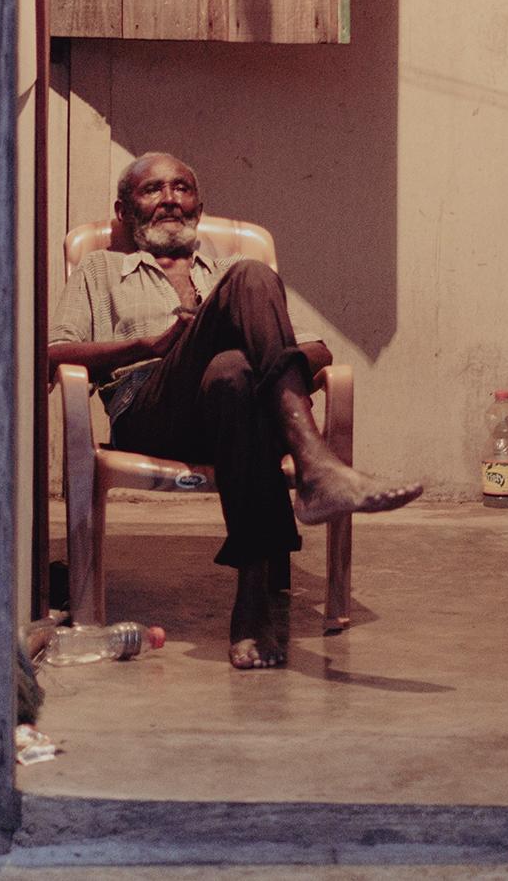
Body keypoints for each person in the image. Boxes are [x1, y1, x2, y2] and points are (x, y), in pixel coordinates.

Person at [49, 152, 423, 670]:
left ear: (199, 205)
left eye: (181, 188)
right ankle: (316, 465)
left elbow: (316, 351)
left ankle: (251, 603)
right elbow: (55, 354)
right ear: (124, 209)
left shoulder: (232, 273)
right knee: (245, 305)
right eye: (152, 190)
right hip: (151, 410)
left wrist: (262, 352)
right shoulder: (101, 268)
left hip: (234, 410)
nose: (169, 200)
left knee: (231, 371)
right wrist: (147, 344)